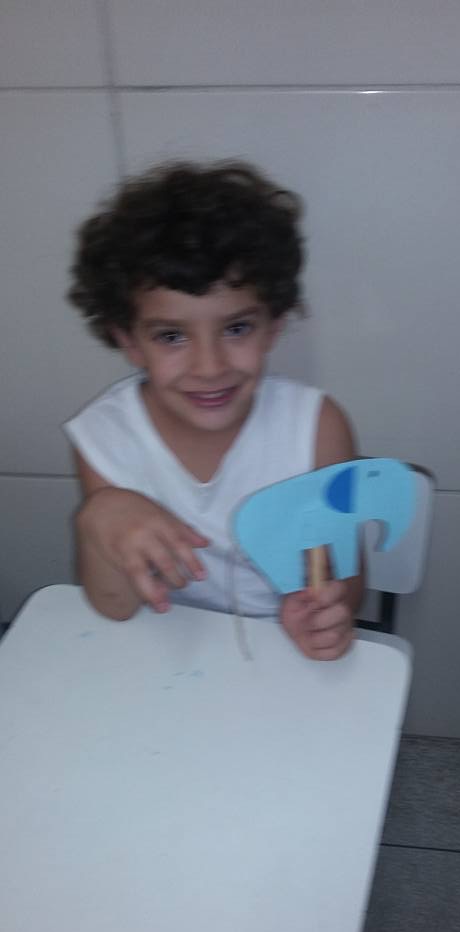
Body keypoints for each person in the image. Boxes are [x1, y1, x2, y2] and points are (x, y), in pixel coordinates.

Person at [65, 160, 364, 660]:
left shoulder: (316, 429)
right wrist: (98, 518)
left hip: (283, 651)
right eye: (172, 336)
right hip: (168, 651)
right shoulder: (105, 437)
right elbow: (115, 607)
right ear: (129, 341)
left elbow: (346, 584)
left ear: (273, 326)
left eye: (236, 329)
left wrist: (322, 616)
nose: (210, 367)